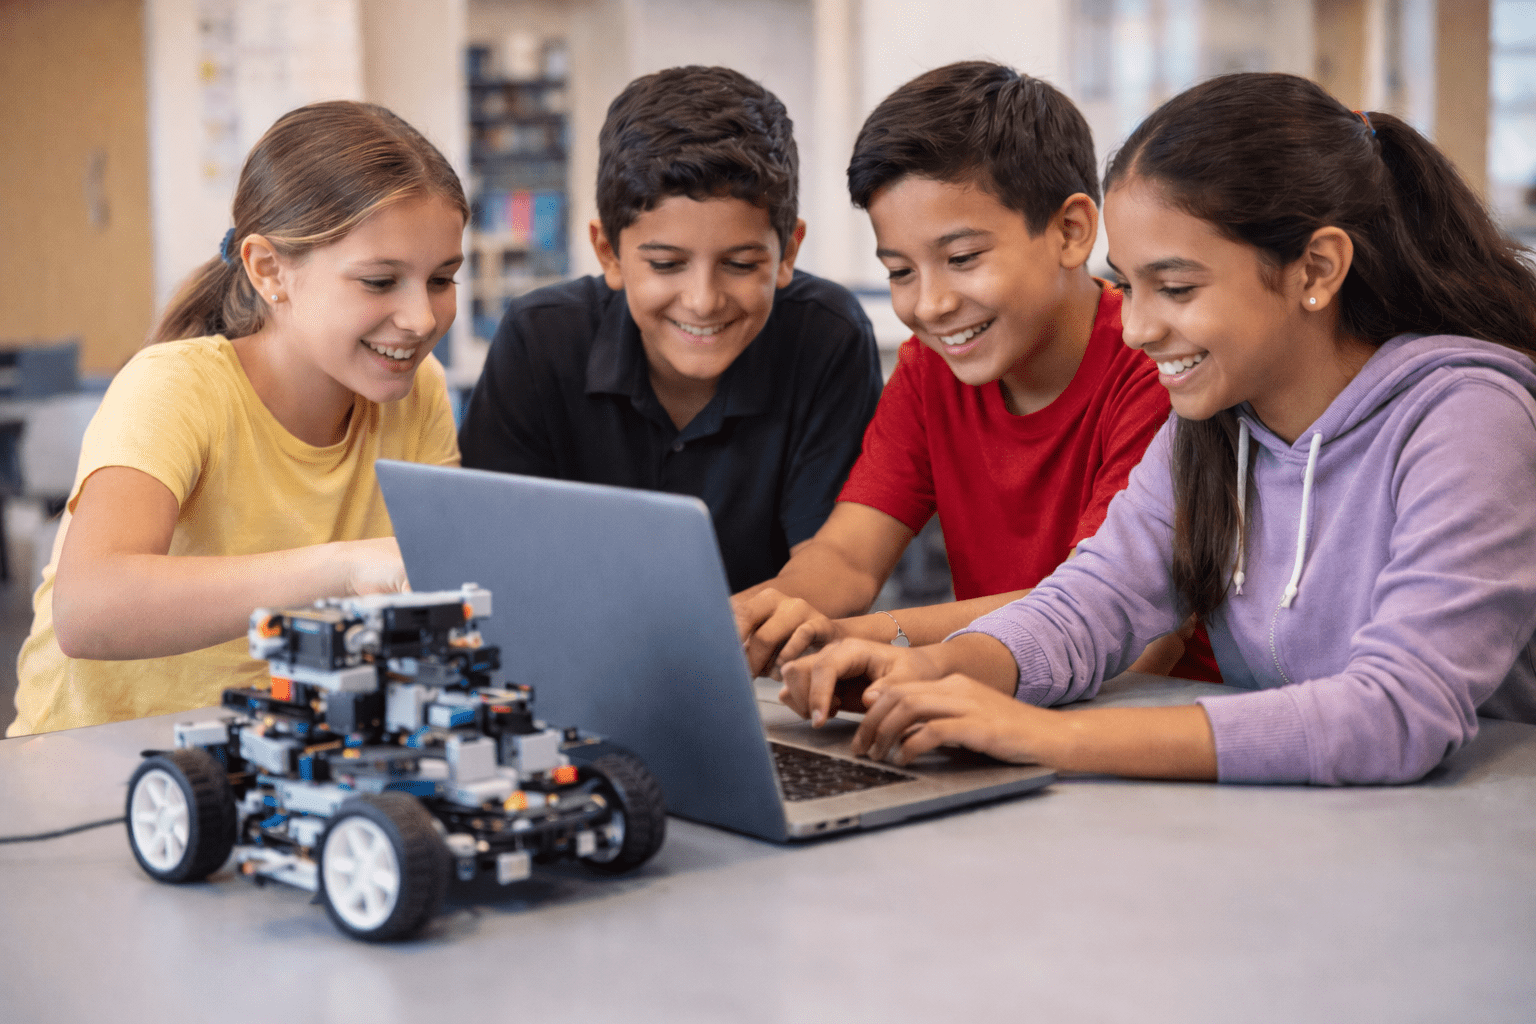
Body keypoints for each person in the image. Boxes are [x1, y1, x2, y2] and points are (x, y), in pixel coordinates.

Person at [779, 72, 1536, 785]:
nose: (1136, 329)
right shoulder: (1215, 421)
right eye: (1128, 285)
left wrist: (1038, 736)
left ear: (1316, 270)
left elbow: (1398, 712)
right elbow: (1089, 604)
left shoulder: (1468, 417)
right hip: (1313, 830)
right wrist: (934, 669)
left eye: (1174, 287)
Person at [733, 61, 1215, 681]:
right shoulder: (933, 367)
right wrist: (772, 613)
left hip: (1143, 716)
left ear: (1070, 231)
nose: (929, 305)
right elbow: (847, 556)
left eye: (962, 258)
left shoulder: (1154, 366)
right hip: (980, 699)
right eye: (900, 271)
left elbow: (1103, 613)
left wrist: (856, 634)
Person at [9, 101, 465, 736]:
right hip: (99, 767)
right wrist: (345, 568)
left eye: (442, 280)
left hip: (282, 752)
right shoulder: (175, 387)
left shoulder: (419, 392)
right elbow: (90, 610)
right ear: (269, 270)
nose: (421, 320)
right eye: (380, 281)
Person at [457, 66, 882, 594]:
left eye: (741, 264)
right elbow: (495, 560)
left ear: (787, 252)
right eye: (665, 265)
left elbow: (831, 566)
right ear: (609, 252)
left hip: (759, 668)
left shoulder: (828, 337)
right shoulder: (538, 340)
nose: (703, 301)